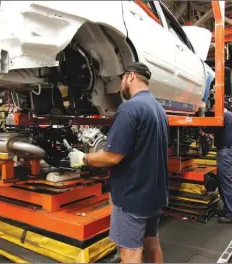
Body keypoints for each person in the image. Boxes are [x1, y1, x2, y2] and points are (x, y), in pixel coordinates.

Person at [69, 62, 169, 263]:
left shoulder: (129, 108)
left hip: (132, 198)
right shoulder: (159, 109)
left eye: (121, 79)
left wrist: (83, 158)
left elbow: (112, 156)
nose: (120, 84)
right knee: (152, 245)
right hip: (155, 195)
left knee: (130, 254)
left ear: (130, 77)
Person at [204, 108, 232, 223]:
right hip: (230, 151)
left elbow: (212, 128)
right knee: (223, 183)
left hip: (225, 153)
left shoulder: (224, 117)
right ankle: (227, 209)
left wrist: (201, 125)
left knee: (226, 184)